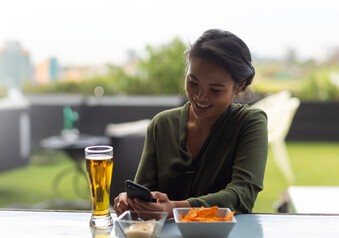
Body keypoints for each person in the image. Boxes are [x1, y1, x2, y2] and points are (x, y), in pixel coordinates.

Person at [114, 29, 268, 218]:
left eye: (215, 90)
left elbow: (242, 195)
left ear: (239, 86)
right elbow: (144, 192)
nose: (200, 97)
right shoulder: (161, 125)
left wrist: (175, 209)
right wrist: (131, 202)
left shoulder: (249, 123)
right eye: (193, 82)